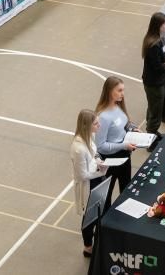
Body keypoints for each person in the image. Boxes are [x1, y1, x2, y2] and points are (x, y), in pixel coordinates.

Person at [70, 109, 108, 257]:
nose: (99, 126)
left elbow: (94, 153)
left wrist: (98, 160)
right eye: (96, 123)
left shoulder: (89, 136)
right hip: (89, 184)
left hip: (96, 178)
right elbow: (82, 174)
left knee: (98, 213)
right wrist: (101, 171)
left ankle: (97, 240)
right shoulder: (78, 149)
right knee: (89, 218)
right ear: (87, 125)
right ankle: (88, 247)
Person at [95, 76, 138, 201]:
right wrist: (124, 146)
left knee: (126, 191)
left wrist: (132, 129)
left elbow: (124, 124)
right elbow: (101, 146)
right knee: (106, 196)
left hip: (124, 155)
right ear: (109, 91)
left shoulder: (118, 106)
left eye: (123, 90)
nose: (122, 94)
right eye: (119, 90)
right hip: (111, 161)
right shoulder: (103, 117)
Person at [141, 12, 165, 138]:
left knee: (152, 107)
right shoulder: (154, 44)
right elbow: (158, 67)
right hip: (155, 83)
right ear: (158, 25)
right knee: (156, 111)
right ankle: (151, 137)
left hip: (152, 81)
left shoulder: (153, 39)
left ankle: (151, 131)